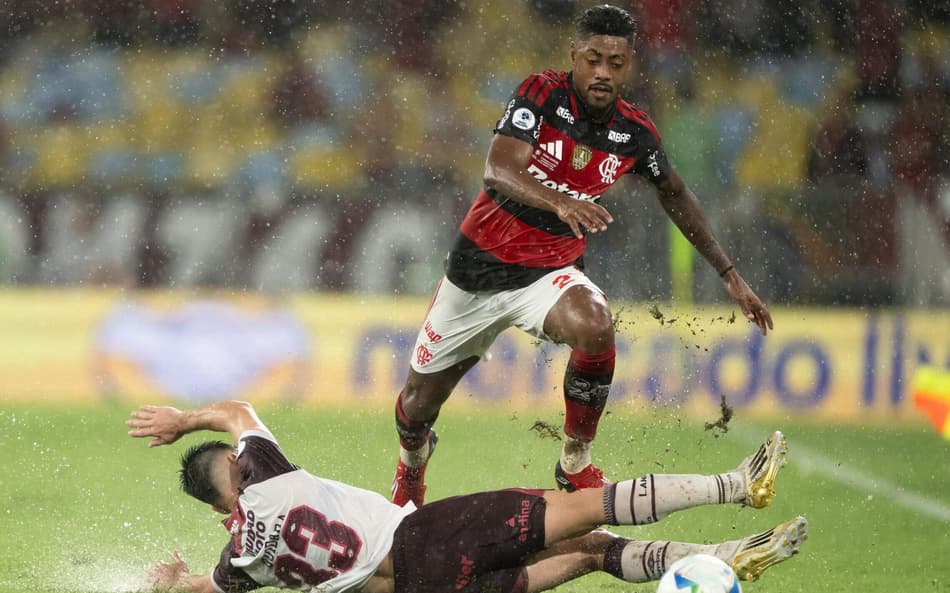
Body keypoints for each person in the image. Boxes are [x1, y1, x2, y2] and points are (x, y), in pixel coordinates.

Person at [391, 4, 774, 507]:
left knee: (596, 325)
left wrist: (729, 274)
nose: (602, 73)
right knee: (418, 407)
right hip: (477, 272)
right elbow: (498, 169)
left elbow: (675, 194)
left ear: (629, 65)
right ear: (574, 54)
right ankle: (411, 469)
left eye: (616, 63)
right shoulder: (541, 94)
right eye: (593, 59)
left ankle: (574, 462)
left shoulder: (635, 132)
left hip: (548, 274)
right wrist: (561, 200)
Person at [127, 400, 807, 593]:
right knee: (583, 509)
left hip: (424, 590)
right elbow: (238, 411)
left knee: (590, 556)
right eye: (236, 474)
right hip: (425, 538)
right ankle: (736, 487)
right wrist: (184, 420)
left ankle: (720, 557)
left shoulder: (242, 559)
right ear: (239, 484)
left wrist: (167, 581)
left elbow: (203, 585)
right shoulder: (267, 472)